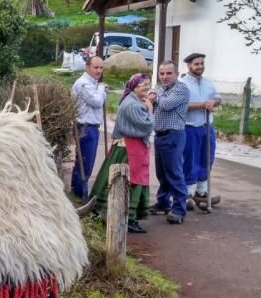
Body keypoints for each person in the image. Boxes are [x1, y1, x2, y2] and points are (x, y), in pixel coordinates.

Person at [90, 73, 155, 233]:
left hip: (127, 147)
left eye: (148, 84)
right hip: (129, 149)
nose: (146, 87)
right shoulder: (133, 105)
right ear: (134, 87)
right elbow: (146, 126)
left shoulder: (133, 101)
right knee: (131, 180)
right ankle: (128, 218)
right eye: (142, 85)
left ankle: (104, 212)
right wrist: (151, 110)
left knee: (116, 179)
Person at [149, 60, 191, 224]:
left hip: (173, 135)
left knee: (174, 173)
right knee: (162, 173)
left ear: (177, 74)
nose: (164, 77)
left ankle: (179, 209)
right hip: (160, 135)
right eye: (161, 73)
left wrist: (154, 95)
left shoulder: (180, 88)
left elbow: (166, 105)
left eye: (168, 73)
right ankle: (163, 202)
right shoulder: (161, 89)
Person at [180, 53, 222, 208]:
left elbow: (218, 98)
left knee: (207, 158)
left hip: (207, 126)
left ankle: (201, 192)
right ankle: (187, 193)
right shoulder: (182, 84)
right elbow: (180, 106)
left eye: (202, 64)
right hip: (190, 127)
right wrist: (201, 104)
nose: (200, 67)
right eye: (196, 64)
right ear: (189, 65)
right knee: (190, 160)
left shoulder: (208, 83)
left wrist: (213, 101)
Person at [70, 55, 107, 199]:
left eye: (101, 68)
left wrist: (101, 88)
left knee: (86, 163)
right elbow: (96, 101)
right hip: (85, 127)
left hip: (92, 127)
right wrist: (102, 89)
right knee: (84, 164)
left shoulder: (93, 83)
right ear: (87, 68)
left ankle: (78, 193)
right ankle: (80, 196)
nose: (99, 71)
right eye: (95, 67)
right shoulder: (83, 83)